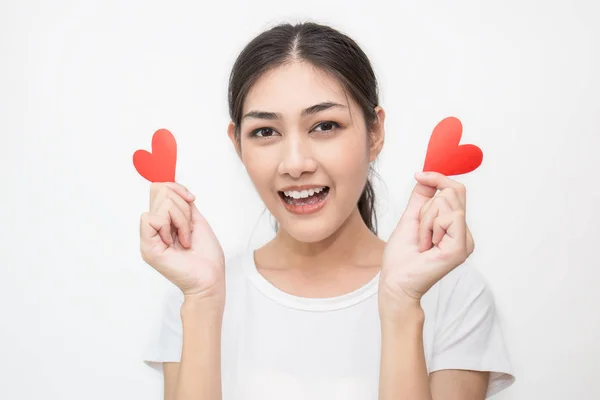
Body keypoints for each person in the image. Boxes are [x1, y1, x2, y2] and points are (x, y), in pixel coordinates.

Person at [140, 21, 515, 400]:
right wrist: (203, 302)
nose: (295, 163)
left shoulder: (451, 293)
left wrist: (402, 304)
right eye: (266, 132)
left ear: (375, 132)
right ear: (238, 144)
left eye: (324, 125)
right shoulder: (196, 293)